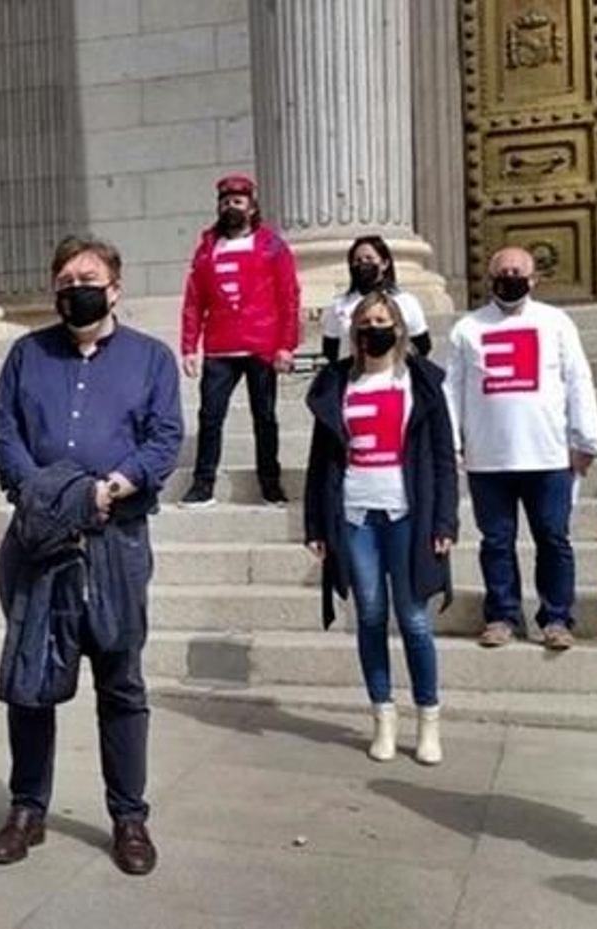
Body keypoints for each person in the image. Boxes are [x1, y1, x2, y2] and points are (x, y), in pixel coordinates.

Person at [0, 234, 182, 876]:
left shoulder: (150, 359)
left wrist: (109, 490)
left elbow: (163, 440)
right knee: (31, 682)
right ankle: (27, 809)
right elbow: (7, 436)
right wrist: (52, 498)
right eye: (66, 278)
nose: (77, 287)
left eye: (89, 277)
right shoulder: (26, 355)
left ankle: (129, 818)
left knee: (121, 681)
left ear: (115, 288)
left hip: (116, 544)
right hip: (40, 546)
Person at [304, 292, 457, 764]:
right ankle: (383, 716)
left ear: (399, 327)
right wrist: (316, 524)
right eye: (367, 321)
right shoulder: (337, 385)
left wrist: (446, 519)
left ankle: (428, 718)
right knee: (370, 616)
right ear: (354, 332)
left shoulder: (421, 383)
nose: (374, 328)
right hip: (354, 514)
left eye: (382, 320)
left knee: (412, 619)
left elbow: (440, 458)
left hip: (407, 513)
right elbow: (320, 462)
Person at [445, 245, 597, 650]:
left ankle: (556, 618)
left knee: (553, 538)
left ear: (533, 280)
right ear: (489, 278)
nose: (509, 276)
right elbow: (453, 390)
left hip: (549, 454)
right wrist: (453, 443)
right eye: (502, 270)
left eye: (518, 271)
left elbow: (577, 379)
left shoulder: (556, 322)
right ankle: (501, 615)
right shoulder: (467, 328)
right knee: (495, 542)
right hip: (488, 456)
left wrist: (585, 438)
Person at [178, 173, 300, 508]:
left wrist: (286, 344)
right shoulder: (207, 248)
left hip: (261, 345)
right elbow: (194, 301)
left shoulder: (273, 246)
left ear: (251, 206)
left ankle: (270, 483)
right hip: (220, 347)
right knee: (210, 416)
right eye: (225, 201)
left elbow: (289, 297)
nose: (230, 206)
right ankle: (203, 484)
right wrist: (190, 346)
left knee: (265, 417)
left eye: (237, 201)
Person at [320, 235, 432, 360]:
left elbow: (422, 346)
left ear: (384, 263)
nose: (363, 263)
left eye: (369, 258)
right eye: (357, 260)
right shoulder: (339, 305)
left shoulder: (406, 302)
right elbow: (330, 349)